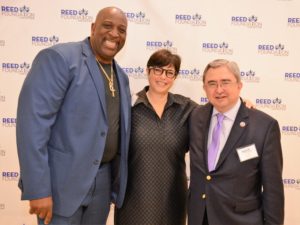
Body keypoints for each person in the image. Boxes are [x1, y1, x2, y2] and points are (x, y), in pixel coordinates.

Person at [16, 7, 131, 225]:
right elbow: (32, 125)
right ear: (93, 28)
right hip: (61, 185)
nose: (115, 34)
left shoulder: (122, 77)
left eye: (122, 30)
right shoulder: (60, 58)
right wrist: (38, 189)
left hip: (103, 185)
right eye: (108, 26)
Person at [188, 59, 284, 225]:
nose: (219, 90)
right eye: (212, 83)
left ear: (239, 85)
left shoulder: (264, 126)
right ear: (204, 88)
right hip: (200, 218)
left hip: (241, 220)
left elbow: (273, 190)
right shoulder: (195, 117)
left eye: (225, 82)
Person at [115, 49, 197, 225]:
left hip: (173, 201)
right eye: (158, 70)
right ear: (148, 71)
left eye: (169, 72)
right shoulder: (128, 107)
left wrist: (242, 104)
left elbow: (217, 113)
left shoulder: (187, 108)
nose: (163, 77)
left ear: (175, 77)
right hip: (134, 200)